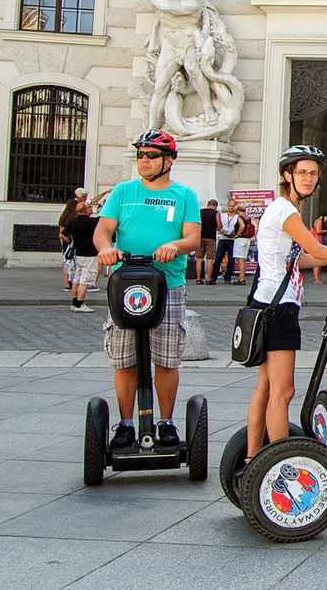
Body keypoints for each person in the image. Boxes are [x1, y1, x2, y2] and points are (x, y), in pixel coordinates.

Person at [244, 146, 327, 463]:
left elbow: (299, 259)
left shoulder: (283, 210)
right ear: (287, 175)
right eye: (302, 172)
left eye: (313, 173)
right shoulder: (285, 211)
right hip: (278, 309)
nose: (308, 178)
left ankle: (253, 457)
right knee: (283, 391)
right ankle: (279, 463)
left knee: (265, 386)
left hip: (265, 301)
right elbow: (315, 249)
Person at [93, 130, 201, 451]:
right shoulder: (123, 192)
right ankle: (126, 424)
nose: (144, 160)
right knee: (123, 359)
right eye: (141, 155)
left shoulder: (184, 195)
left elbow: (193, 238)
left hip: (167, 284)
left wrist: (174, 245)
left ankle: (166, 422)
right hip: (125, 283)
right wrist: (105, 249)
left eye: (151, 156)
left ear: (168, 161)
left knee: (167, 359)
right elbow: (103, 230)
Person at [65, 198, 101, 313]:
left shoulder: (73, 221)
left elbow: (64, 235)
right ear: (86, 211)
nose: (92, 209)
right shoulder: (93, 222)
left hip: (78, 252)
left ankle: (74, 302)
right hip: (90, 253)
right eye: (90, 208)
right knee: (85, 279)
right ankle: (80, 304)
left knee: (77, 278)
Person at [57, 189, 86, 290]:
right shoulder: (73, 218)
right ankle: (71, 282)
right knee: (73, 264)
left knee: (66, 263)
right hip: (71, 242)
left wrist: (63, 243)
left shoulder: (63, 217)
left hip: (66, 243)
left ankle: (67, 284)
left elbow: (61, 233)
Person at [214, 199, 240, 284]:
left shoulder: (237, 217)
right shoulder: (222, 215)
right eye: (230, 205)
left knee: (231, 259)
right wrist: (223, 231)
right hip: (222, 239)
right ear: (227, 206)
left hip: (232, 240)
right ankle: (213, 277)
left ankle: (227, 278)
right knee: (218, 258)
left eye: (233, 206)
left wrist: (232, 234)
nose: (231, 207)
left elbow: (238, 228)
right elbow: (218, 226)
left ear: (235, 207)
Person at [196, 198, 219, 285]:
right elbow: (219, 226)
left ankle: (198, 279)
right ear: (215, 206)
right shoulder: (216, 213)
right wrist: (215, 228)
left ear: (208, 205)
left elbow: (196, 223)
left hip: (200, 238)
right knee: (210, 259)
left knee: (199, 258)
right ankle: (208, 279)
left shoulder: (200, 212)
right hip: (211, 238)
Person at [233, 206, 255, 284]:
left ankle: (241, 279)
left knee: (240, 260)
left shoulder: (240, 217)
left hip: (241, 239)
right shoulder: (248, 217)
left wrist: (237, 234)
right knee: (243, 260)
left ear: (238, 210)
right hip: (247, 240)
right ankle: (241, 278)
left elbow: (242, 226)